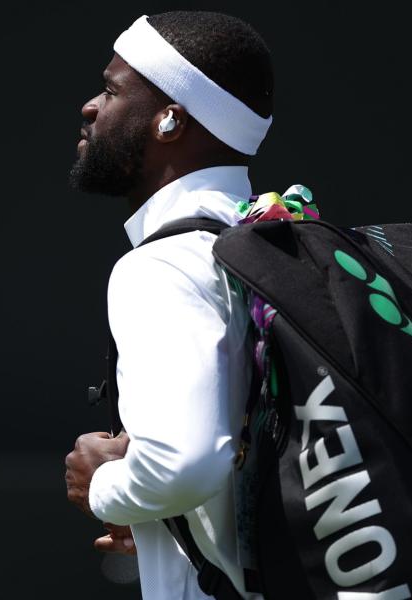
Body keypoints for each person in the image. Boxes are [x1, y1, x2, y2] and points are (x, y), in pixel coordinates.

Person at [64, 11, 274, 600]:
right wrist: (159, 509)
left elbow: (185, 462)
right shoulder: (279, 240)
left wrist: (103, 483)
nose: (90, 107)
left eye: (111, 90)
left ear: (169, 120)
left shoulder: (163, 265)